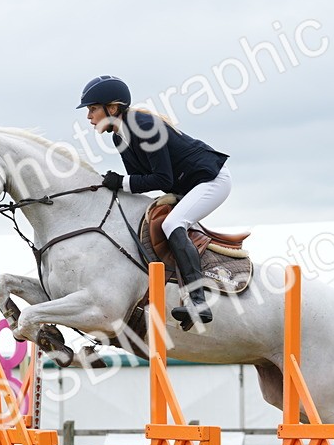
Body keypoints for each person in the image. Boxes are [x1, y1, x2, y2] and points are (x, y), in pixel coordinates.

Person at [78, 75, 230, 329]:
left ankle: (197, 300)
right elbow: (140, 179)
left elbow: (160, 177)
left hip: (211, 180)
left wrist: (122, 182)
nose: (89, 116)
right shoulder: (120, 137)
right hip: (187, 186)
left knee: (173, 224)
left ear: (112, 108)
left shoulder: (144, 126)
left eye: (93, 108)